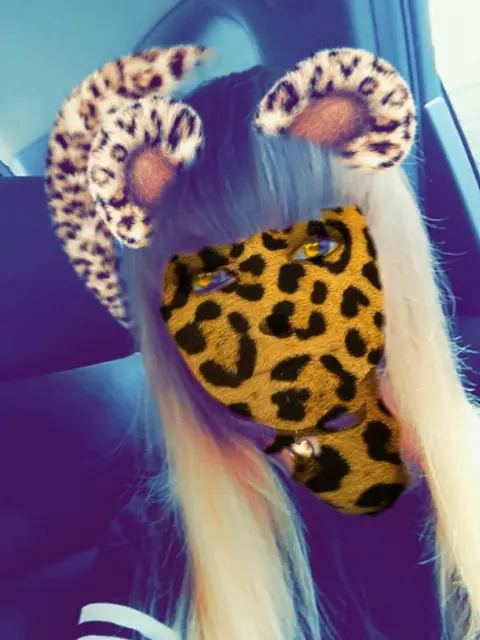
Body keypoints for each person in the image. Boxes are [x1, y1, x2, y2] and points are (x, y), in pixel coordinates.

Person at [46, 45, 480, 640]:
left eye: (315, 250)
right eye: (215, 281)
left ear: (389, 260)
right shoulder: (163, 547)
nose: (279, 323)